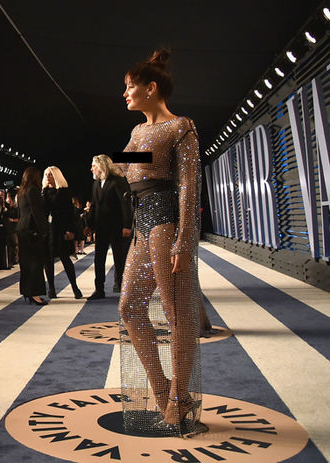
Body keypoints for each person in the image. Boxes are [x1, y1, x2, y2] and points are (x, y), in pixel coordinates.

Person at [118, 49, 202, 435]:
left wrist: (184, 242)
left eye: (130, 86)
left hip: (165, 221)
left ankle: (179, 398)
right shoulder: (138, 132)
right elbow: (130, 166)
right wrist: (106, 161)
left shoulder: (181, 127)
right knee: (129, 307)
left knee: (176, 312)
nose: (125, 94)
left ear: (150, 89)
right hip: (141, 221)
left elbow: (188, 188)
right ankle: (163, 389)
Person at [84, 155, 132, 299]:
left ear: (101, 166)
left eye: (93, 166)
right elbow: (94, 206)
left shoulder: (117, 181)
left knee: (120, 260)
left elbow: (125, 204)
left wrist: (127, 225)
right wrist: (89, 225)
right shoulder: (96, 184)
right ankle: (99, 290)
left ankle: (124, 289)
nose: (91, 169)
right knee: (99, 260)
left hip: (117, 227)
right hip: (101, 228)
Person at [42, 166, 82, 299]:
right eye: (46, 174)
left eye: (50, 174)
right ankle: (51, 289)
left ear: (56, 176)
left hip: (61, 229)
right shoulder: (43, 192)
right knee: (48, 260)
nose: (48, 177)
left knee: (65, 258)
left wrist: (70, 230)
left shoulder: (64, 191)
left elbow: (70, 213)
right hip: (48, 230)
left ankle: (75, 287)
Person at [16, 167, 47, 305]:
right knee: (35, 263)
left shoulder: (21, 191)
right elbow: (37, 212)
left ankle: (27, 291)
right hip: (31, 230)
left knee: (25, 263)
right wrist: (44, 230)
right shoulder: (33, 190)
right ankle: (34, 293)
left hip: (22, 229)